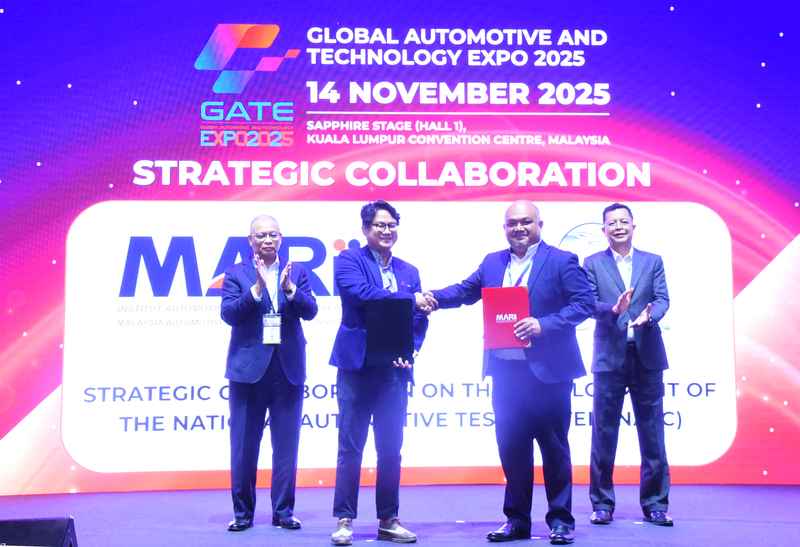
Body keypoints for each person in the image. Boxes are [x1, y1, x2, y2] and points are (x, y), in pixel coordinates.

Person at [424, 200, 593, 545]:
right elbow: (466, 291)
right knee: (512, 449)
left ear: (540, 224)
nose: (519, 228)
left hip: (549, 373)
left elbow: (584, 304)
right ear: (504, 228)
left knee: (554, 449)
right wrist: (432, 298)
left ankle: (561, 521)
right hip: (505, 372)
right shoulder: (493, 262)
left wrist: (543, 324)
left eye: (526, 222)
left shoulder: (562, 261)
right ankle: (517, 521)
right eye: (512, 223)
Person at [329, 200, 430, 546]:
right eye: (379, 225)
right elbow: (363, 295)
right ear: (365, 229)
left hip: (394, 371)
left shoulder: (409, 271)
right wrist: (410, 300)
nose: (386, 231)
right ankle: (344, 519)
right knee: (350, 446)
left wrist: (410, 351)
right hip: (357, 367)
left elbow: (418, 319)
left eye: (391, 225)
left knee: (390, 448)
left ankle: (389, 519)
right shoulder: (348, 261)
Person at [220, 214, 318, 532]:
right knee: (244, 446)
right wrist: (257, 290)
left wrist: (290, 290)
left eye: (273, 234)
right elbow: (229, 314)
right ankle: (243, 514)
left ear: (281, 238)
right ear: (250, 240)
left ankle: (283, 512)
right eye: (261, 235)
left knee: (286, 446)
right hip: (248, 372)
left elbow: (311, 310)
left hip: (287, 369)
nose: (267, 240)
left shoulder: (297, 272)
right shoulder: (236, 273)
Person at [583, 203, 673, 527]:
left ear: (634, 226)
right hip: (609, 357)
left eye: (624, 221)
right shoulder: (592, 263)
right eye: (612, 223)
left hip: (647, 355)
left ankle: (656, 504)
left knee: (653, 433)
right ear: (604, 229)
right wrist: (613, 309)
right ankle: (602, 503)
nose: (618, 226)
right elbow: (588, 303)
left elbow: (662, 298)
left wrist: (651, 314)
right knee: (604, 432)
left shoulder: (653, 261)